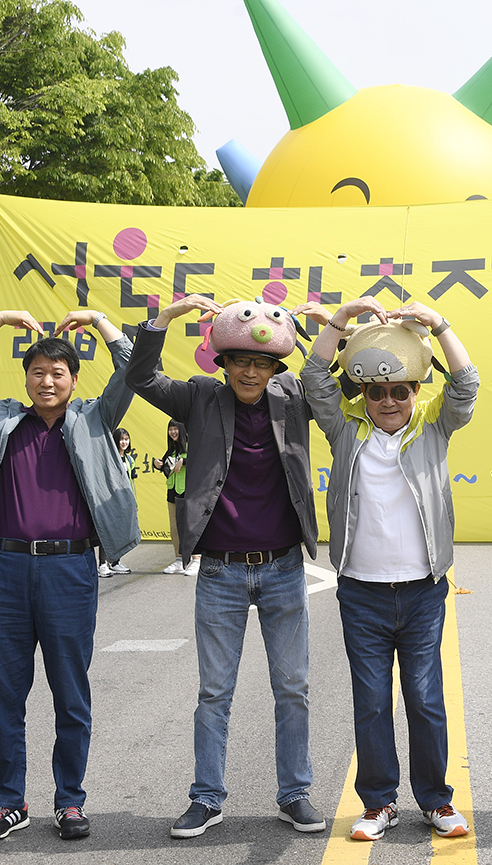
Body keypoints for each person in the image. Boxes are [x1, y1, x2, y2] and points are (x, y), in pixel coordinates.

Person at [124, 295, 325, 839]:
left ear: (274, 367)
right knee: (215, 692)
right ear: (224, 363)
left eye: (261, 363)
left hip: (283, 568)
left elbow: (335, 382)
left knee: (293, 688)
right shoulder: (199, 398)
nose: (251, 371)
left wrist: (336, 326)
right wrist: (165, 318)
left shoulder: (292, 396)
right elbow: (141, 376)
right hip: (221, 573)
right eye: (241, 362)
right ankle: (207, 798)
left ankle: (295, 794)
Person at [0, 309, 140, 843]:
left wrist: (101, 320)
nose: (47, 381)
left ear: (74, 380)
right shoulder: (1, 417)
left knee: (70, 693)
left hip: (70, 568)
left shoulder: (95, 419)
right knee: (5, 692)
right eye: (38, 372)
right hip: (7, 568)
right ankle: (8, 802)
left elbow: (133, 364)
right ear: (25, 378)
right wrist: (3, 319)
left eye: (58, 373)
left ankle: (70, 801)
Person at [296, 296, 478, 842]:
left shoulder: (433, 427)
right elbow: (313, 375)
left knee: (424, 699)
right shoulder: (345, 428)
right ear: (364, 393)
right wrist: (341, 318)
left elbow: (465, 383)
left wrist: (439, 325)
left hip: (422, 590)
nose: (390, 401)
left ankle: (436, 801)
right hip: (362, 591)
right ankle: (378, 803)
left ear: (416, 390)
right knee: (371, 700)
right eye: (378, 391)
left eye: (401, 390)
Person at [159, 419, 197, 575]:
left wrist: (184, 461)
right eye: (170, 429)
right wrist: (159, 465)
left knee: (190, 527)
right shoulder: (172, 449)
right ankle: (179, 560)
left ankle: (196, 559)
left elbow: (201, 460)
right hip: (172, 493)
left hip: (188, 493)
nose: (173, 432)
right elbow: (168, 469)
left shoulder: (191, 446)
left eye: (175, 429)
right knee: (175, 528)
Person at [99, 428, 137, 577]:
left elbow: (132, 481)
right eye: (121, 439)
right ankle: (102, 564)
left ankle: (115, 562)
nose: (124, 442)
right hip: (110, 501)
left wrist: (134, 501)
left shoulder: (129, 460)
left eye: (126, 439)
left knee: (120, 532)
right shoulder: (109, 458)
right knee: (107, 531)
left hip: (125, 501)